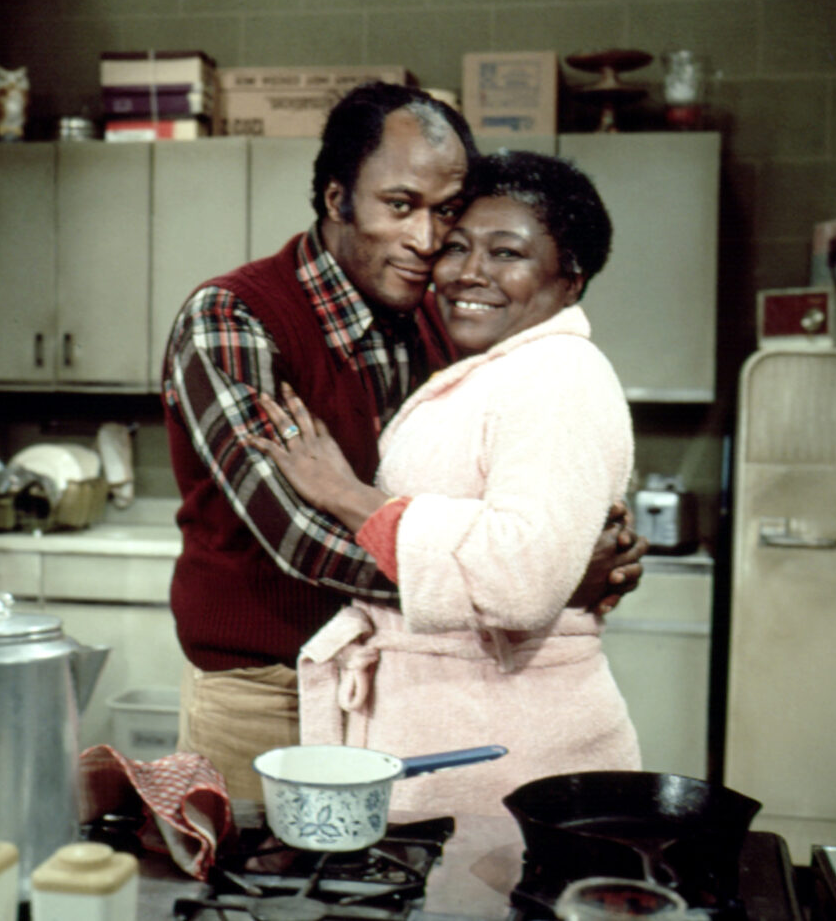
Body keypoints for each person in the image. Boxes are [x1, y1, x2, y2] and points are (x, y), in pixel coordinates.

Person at [162, 83, 646, 800]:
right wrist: (524, 581)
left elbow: (504, 487)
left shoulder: (442, 318)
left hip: (398, 686)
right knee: (257, 905)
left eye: (445, 212)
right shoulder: (234, 317)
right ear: (336, 200)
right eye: (400, 206)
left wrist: (553, 552)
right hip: (265, 691)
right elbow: (303, 538)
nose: (427, 242)